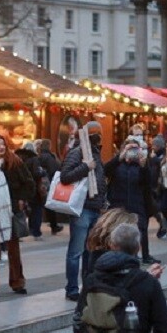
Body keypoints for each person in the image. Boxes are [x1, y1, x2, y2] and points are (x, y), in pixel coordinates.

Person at [0, 134, 34, 297]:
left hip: (11, 211)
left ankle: (17, 282)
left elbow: (29, 183)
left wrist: (21, 200)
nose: (1, 147)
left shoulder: (15, 162)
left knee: (13, 248)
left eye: (3, 144)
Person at [60, 121, 107, 302]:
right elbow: (65, 176)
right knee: (76, 252)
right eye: (94, 133)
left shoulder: (95, 152)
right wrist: (85, 167)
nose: (98, 136)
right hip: (82, 208)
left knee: (90, 251)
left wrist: (103, 201)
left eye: (99, 132)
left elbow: (100, 179)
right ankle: (72, 288)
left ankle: (88, 286)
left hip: (95, 207)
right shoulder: (78, 152)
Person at [105, 138, 158, 264]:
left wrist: (143, 165)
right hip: (118, 204)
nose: (132, 152)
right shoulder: (117, 164)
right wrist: (119, 158)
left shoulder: (141, 165)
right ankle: (119, 258)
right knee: (118, 232)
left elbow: (149, 183)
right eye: (130, 149)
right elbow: (105, 170)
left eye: (135, 149)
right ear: (123, 149)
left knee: (141, 230)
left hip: (137, 203)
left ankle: (144, 255)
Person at [15, 141, 47, 239]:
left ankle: (21, 231)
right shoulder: (34, 159)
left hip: (22, 188)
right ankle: (35, 231)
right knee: (37, 210)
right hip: (34, 188)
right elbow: (37, 173)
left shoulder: (18, 159)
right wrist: (43, 172)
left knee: (23, 210)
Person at [36, 139, 63, 235]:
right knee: (50, 205)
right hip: (49, 183)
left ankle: (36, 227)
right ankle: (54, 225)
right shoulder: (50, 157)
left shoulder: (38, 156)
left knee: (40, 205)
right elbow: (54, 170)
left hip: (40, 183)